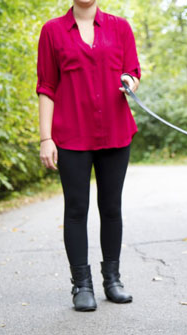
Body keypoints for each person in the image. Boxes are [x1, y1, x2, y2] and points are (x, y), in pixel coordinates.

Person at [36, 0, 140, 311]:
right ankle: (81, 284)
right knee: (76, 209)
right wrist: (45, 138)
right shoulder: (52, 31)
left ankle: (112, 280)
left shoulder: (120, 27)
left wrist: (130, 81)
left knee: (111, 208)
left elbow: (132, 71)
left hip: (115, 132)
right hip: (71, 134)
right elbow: (46, 86)